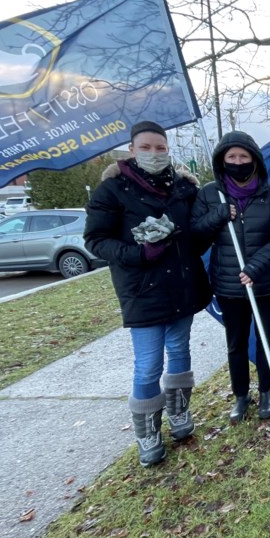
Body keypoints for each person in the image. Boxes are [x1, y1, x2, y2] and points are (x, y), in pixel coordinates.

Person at [84, 120, 213, 467]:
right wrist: (140, 254)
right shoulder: (112, 190)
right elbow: (95, 241)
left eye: (160, 148)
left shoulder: (185, 188)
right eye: (146, 147)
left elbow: (194, 238)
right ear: (132, 150)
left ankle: (179, 414)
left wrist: (212, 222)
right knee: (148, 365)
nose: (154, 154)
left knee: (180, 350)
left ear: (168, 149)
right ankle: (148, 433)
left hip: (183, 286)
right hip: (143, 291)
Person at [191, 131, 270, 425]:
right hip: (229, 285)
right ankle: (240, 394)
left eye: (243, 156)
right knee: (235, 342)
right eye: (231, 157)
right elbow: (196, 237)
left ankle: (265, 391)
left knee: (265, 338)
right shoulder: (210, 195)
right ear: (222, 161)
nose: (238, 162)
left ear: (254, 159)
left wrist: (256, 267)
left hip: (267, 282)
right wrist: (217, 216)